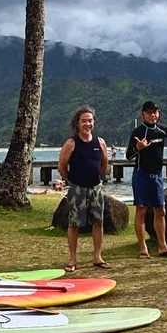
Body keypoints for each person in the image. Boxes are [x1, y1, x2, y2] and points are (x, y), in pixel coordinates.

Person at [125, 100, 167, 258]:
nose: (153, 115)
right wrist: (137, 148)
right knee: (142, 210)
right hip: (141, 175)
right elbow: (128, 156)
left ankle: (162, 246)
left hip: (157, 176)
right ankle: (143, 248)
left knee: (161, 210)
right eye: (149, 112)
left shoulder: (161, 130)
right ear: (142, 114)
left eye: (155, 112)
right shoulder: (138, 132)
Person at [57, 105, 110, 272]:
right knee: (74, 224)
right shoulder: (71, 143)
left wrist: (99, 178)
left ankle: (97, 257)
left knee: (98, 222)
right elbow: (62, 166)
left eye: (90, 121)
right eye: (84, 121)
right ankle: (72, 260)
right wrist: (70, 180)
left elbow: (104, 163)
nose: (87, 124)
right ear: (77, 124)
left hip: (96, 187)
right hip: (77, 188)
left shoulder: (100, 142)